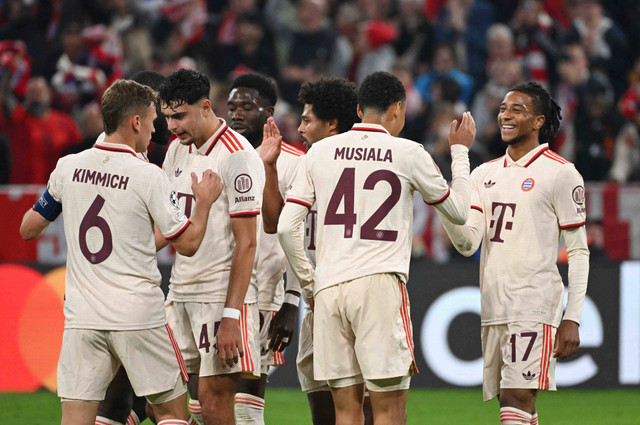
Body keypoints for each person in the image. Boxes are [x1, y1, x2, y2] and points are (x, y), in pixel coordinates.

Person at [19, 78, 223, 425]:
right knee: (172, 413)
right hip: (137, 317)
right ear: (136, 122)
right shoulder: (148, 176)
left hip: (82, 319)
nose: (158, 130)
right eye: (154, 121)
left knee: (77, 419)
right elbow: (187, 244)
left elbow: (28, 228)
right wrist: (203, 204)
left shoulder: (68, 167)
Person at [277, 71, 476, 425]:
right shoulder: (408, 152)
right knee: (387, 411)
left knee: (346, 413)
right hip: (378, 285)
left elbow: (285, 226)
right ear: (398, 109)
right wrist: (459, 153)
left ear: (358, 108)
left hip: (328, 289)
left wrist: (309, 283)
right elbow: (460, 213)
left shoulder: (319, 152)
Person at [437, 82, 590, 425]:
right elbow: (467, 243)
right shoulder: (483, 173)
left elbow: (579, 252)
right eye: (504, 108)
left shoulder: (561, 173)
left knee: (515, 396)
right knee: (517, 404)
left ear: (538, 121)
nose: (505, 115)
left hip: (534, 302)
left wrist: (573, 316)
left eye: (517, 110)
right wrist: (442, 197)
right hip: (494, 304)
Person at [262, 76, 372, 425]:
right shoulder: (306, 164)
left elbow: (280, 227)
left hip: (346, 295)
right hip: (317, 300)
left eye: (307, 119)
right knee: (324, 404)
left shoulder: (349, 165)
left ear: (332, 124)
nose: (299, 126)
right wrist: (267, 166)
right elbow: (273, 223)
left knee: (359, 406)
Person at [158, 68, 265, 425]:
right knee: (161, 398)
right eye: (167, 117)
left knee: (214, 402)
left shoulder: (237, 156)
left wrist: (232, 316)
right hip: (180, 291)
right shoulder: (176, 150)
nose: (172, 126)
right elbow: (167, 226)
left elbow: (248, 242)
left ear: (205, 107)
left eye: (179, 116)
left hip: (219, 296)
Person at [94, 70, 174, 425]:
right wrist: (196, 215)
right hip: (134, 296)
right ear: (139, 115)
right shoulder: (146, 166)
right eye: (160, 114)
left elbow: (31, 226)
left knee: (113, 400)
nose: (162, 124)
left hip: (92, 295)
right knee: (165, 403)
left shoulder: (86, 159)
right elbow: (173, 237)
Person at [225, 72, 304, 424]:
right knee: (205, 402)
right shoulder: (222, 154)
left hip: (264, 293)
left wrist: (291, 301)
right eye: (232, 107)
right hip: (217, 289)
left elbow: (301, 238)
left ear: (269, 112)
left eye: (247, 106)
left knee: (246, 401)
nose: (237, 114)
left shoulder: (295, 162)